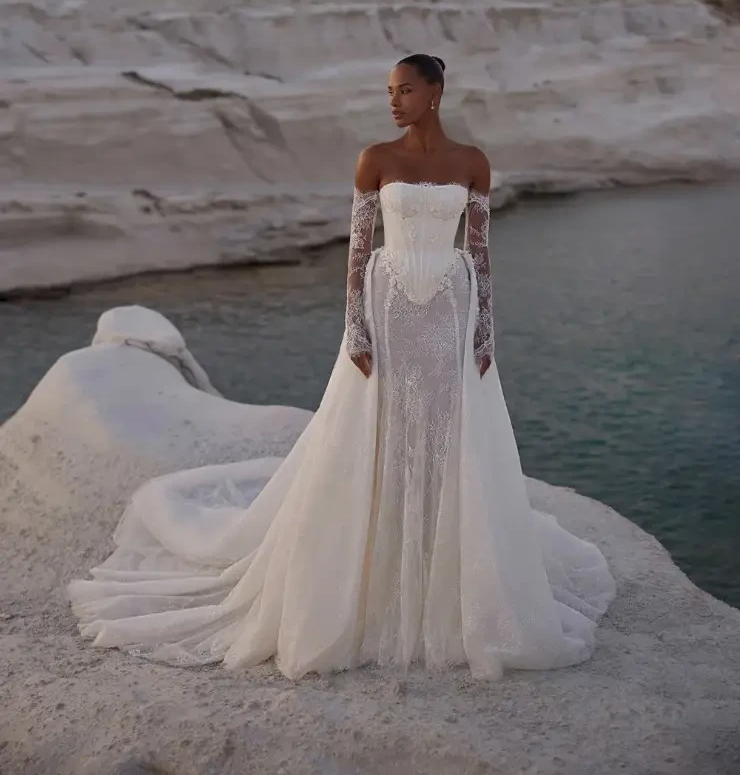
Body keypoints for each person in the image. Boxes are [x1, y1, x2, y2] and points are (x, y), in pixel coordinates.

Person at [68, 53, 616, 680]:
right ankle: (370, 580)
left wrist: (485, 333)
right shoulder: (374, 159)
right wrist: (355, 325)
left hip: (449, 310)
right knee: (380, 433)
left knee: (446, 433)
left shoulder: (472, 162)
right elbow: (357, 251)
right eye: (389, 91)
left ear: (435, 93)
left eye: (406, 90)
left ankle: (444, 579)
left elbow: (482, 254)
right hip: (387, 309)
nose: (394, 101)